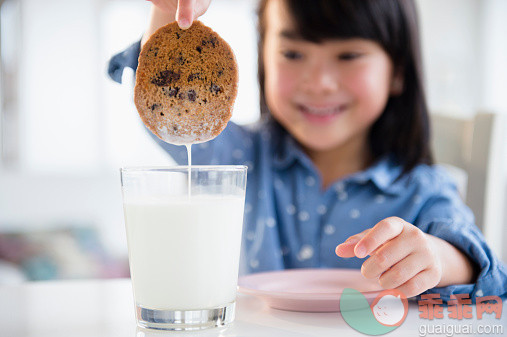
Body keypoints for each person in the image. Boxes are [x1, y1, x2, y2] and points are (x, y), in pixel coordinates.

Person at [108, 0, 507, 300]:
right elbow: (166, 104)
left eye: (348, 55)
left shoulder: (421, 189)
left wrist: (437, 258)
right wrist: (168, 11)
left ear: (398, 71)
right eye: (293, 54)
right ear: (264, 59)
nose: (318, 83)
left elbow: (484, 273)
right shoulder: (239, 159)